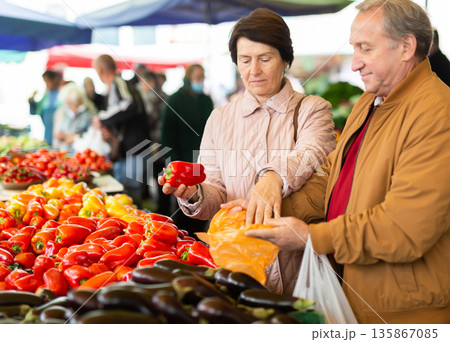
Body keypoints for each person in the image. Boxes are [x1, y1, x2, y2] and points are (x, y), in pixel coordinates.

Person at [239, 0, 450, 323]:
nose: (355, 64)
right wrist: (269, 209)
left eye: (365, 48)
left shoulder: (437, 113)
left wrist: (313, 238)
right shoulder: (370, 102)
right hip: (357, 295)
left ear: (407, 46)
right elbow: (331, 175)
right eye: (354, 49)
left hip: (405, 313)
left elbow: (406, 227)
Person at [159, 9, 336, 283]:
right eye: (245, 60)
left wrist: (273, 178)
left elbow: (311, 153)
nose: (254, 71)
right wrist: (194, 194)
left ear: (285, 59)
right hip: (235, 266)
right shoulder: (220, 118)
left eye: (265, 59)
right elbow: (216, 191)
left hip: (297, 268)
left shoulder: (312, 109)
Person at [159, 64, 214, 230]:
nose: (200, 81)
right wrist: (173, 161)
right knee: (183, 202)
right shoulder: (175, 100)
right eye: (197, 77)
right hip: (180, 159)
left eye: (202, 77)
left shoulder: (206, 100)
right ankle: (184, 237)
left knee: (202, 197)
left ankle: (198, 239)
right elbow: (166, 132)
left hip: (201, 159)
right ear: (188, 78)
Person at [93, 54, 150, 205]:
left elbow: (129, 105)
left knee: (131, 192)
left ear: (100, 70)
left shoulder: (118, 82)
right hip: (131, 147)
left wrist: (102, 119)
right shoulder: (117, 85)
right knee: (128, 191)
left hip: (135, 147)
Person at [53, 84, 96, 152]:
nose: (71, 107)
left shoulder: (89, 113)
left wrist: (76, 138)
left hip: (82, 152)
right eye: (69, 104)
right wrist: (61, 135)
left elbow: (92, 136)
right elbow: (60, 131)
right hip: (65, 151)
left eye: (71, 104)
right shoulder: (62, 112)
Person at [29, 70, 62, 145]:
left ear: (55, 79)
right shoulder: (47, 95)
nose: (47, 85)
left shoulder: (63, 92)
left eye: (48, 81)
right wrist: (32, 101)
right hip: (48, 131)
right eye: (45, 82)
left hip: (59, 132)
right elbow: (37, 110)